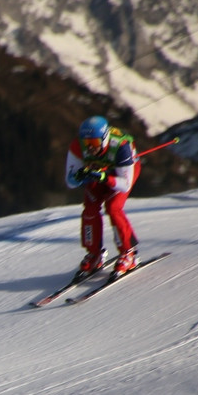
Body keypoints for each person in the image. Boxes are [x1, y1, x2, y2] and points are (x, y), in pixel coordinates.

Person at [65, 115, 142, 278]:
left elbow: (125, 184)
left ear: (105, 139)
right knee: (90, 208)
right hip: (98, 173)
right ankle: (94, 254)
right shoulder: (78, 146)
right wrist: (81, 176)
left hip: (122, 174)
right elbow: (69, 181)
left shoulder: (121, 147)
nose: (90, 148)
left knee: (113, 207)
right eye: (87, 143)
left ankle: (128, 252)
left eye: (94, 143)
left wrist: (104, 177)